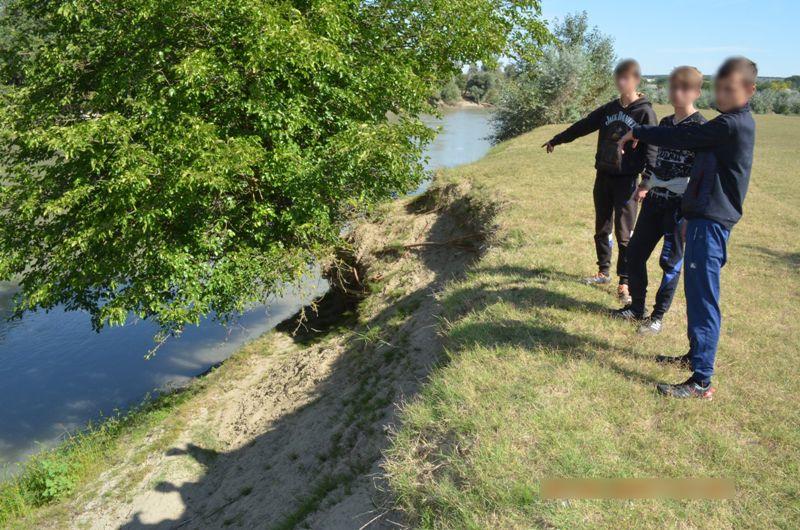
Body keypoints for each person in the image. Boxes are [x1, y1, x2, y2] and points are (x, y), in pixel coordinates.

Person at [618, 57, 757, 399]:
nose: (722, 95)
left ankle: (701, 382)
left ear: (750, 91)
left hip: (712, 223)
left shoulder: (731, 125)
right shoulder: (727, 123)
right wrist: (688, 215)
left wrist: (640, 131)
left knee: (703, 299)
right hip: (701, 219)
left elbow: (681, 137)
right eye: (719, 88)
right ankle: (695, 357)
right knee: (696, 296)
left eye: (730, 89)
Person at [543, 59, 657, 305]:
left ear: (636, 80)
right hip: (604, 175)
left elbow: (652, 149)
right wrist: (557, 139)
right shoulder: (609, 108)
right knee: (602, 228)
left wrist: (646, 182)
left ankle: (625, 281)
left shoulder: (645, 112)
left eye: (626, 78)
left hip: (627, 180)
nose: (621, 82)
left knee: (624, 234)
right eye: (618, 77)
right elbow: (583, 126)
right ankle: (603, 272)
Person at [612, 66, 707, 334]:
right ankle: (636, 308)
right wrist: (646, 184)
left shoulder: (702, 128)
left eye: (685, 88)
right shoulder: (664, 124)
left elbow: (702, 174)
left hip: (679, 206)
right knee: (634, 254)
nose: (678, 93)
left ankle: (657, 317)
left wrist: (691, 211)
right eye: (674, 87)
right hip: (654, 200)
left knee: (670, 263)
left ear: (697, 92)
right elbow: (655, 159)